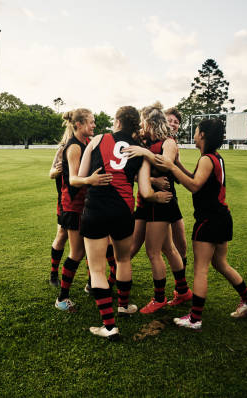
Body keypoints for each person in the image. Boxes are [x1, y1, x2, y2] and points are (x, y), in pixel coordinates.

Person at [155, 118, 247, 330]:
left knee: (201, 269)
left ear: (202, 135)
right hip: (222, 217)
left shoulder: (206, 159)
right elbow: (197, 179)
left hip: (209, 220)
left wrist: (169, 166)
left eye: (195, 131)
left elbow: (194, 186)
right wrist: (176, 165)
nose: (194, 135)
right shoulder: (215, 157)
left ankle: (195, 319)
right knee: (220, 264)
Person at [72, 106, 154, 340]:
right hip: (124, 209)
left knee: (97, 268)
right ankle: (124, 306)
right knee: (123, 259)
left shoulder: (98, 139)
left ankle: (109, 326)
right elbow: (146, 191)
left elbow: (78, 178)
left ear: (117, 122)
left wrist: (90, 180)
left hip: (96, 208)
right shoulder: (141, 151)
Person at [125, 106, 191, 314]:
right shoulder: (149, 143)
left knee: (154, 251)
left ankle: (159, 298)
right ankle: (183, 291)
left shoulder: (168, 143)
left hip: (161, 203)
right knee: (167, 249)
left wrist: (145, 153)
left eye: (144, 122)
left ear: (151, 123)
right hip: (150, 203)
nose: (142, 126)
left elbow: (166, 165)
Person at [54, 108, 97, 312]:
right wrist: (92, 180)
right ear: (78, 124)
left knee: (92, 249)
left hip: (85, 204)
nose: (94, 125)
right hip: (73, 205)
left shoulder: (87, 142)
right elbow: (74, 180)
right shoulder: (73, 147)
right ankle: (62, 298)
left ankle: (91, 285)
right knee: (77, 252)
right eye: (90, 122)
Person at [164, 107, 190, 268]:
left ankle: (181, 287)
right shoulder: (153, 140)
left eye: (176, 122)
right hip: (154, 198)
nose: (173, 124)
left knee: (180, 244)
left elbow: (177, 176)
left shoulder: (172, 143)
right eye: (170, 120)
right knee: (135, 247)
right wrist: (153, 180)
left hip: (170, 196)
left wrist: (178, 162)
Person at [48, 144, 68, 287]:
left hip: (85, 198)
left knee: (88, 238)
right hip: (64, 200)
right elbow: (51, 173)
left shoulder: (89, 144)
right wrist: (57, 170)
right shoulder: (62, 148)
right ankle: (53, 274)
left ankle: (92, 279)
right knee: (62, 234)